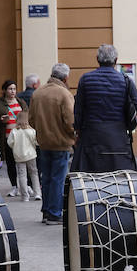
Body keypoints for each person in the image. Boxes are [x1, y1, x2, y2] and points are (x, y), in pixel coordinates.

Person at [72, 44, 137, 174]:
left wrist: (77, 132)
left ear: (97, 59)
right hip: (118, 141)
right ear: (116, 60)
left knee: (90, 179)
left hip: (91, 139)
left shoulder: (85, 79)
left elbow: (78, 110)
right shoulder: (125, 80)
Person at [29, 62, 76, 224]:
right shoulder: (64, 94)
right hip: (61, 143)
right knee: (58, 179)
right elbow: (70, 122)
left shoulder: (38, 93)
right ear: (66, 77)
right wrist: (74, 135)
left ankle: (46, 211)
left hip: (43, 143)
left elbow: (31, 120)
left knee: (46, 178)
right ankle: (55, 214)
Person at [0, 79, 22, 186]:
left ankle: (26, 185)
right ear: (5, 90)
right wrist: (0, 120)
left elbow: (28, 116)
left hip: (21, 137)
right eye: (10, 89)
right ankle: (14, 185)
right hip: (8, 137)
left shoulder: (20, 102)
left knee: (23, 162)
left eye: (14, 89)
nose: (13, 91)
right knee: (11, 163)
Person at [7, 110, 41, 202]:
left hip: (19, 156)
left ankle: (25, 196)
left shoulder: (14, 131)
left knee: (22, 175)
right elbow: (37, 142)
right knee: (34, 174)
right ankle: (37, 193)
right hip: (31, 155)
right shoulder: (31, 131)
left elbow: (10, 143)